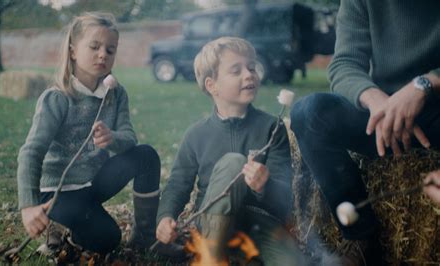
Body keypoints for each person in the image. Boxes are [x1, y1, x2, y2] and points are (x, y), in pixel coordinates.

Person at [16, 12, 183, 258]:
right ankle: (63, 228)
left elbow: (129, 137)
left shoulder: (115, 94)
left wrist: (112, 138)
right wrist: (29, 206)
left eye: (110, 49)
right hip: (58, 192)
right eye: (94, 46)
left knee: (146, 155)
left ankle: (145, 237)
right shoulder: (57, 98)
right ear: (73, 51)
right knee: (108, 239)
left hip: (93, 183)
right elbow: (31, 152)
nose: (103, 54)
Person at [290, 0, 440, 264]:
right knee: (309, 112)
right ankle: (361, 236)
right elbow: (344, 64)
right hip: (381, 119)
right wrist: (378, 103)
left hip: (436, 111)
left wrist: (425, 85)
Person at [155, 36, 305, 265]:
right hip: (211, 222)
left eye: (251, 67)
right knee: (235, 162)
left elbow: (284, 197)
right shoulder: (196, 134)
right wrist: (165, 217)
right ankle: (212, 257)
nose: (249, 74)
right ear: (211, 85)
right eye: (236, 71)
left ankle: (243, 252)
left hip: (259, 222)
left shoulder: (272, 128)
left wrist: (266, 185)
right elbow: (178, 184)